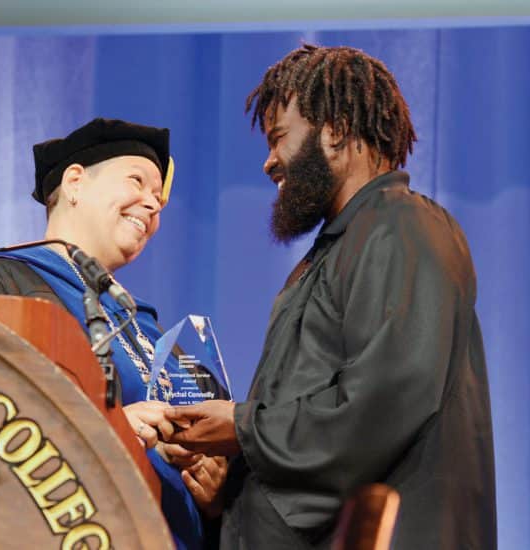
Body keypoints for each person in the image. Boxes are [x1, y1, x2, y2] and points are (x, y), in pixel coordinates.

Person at [165, 45, 497, 549]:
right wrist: (231, 497)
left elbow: (379, 406)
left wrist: (243, 428)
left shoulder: (401, 228)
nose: (269, 162)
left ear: (336, 130)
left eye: (280, 138)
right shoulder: (343, 246)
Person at [0, 118, 226, 549]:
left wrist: (217, 490)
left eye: (159, 199)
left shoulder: (151, 330)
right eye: (137, 181)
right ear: (75, 182)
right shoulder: (0, 290)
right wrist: (105, 434)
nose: (152, 205)